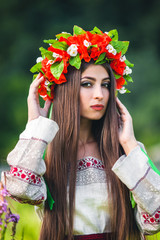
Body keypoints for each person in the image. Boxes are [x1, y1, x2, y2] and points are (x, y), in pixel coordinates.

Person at [1, 26, 160, 240]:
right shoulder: (43, 153)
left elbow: (155, 219)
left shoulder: (127, 153)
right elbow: (19, 189)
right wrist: (35, 126)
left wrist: (129, 143)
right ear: (66, 90)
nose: (99, 95)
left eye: (105, 85)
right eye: (87, 84)